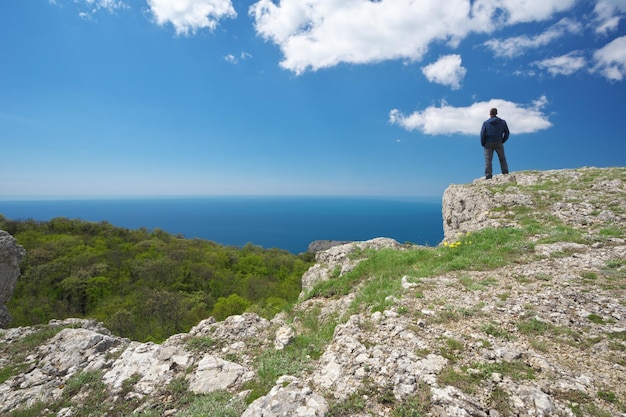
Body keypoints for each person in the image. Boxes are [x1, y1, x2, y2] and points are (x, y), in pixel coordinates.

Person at [480, 108, 509, 179]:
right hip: (498, 142)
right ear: (496, 113)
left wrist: (483, 143)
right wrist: (502, 140)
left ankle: (488, 175)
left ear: (490, 114)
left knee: (488, 160)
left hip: (488, 143)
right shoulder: (503, 122)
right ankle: (505, 172)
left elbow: (482, 134)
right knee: (502, 158)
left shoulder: (486, 123)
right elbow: (507, 133)